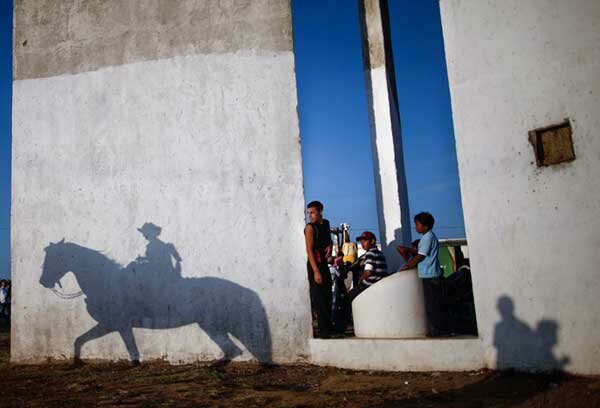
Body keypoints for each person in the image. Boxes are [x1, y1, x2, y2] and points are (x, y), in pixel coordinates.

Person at [399, 212, 447, 336]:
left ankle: (437, 329)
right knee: (432, 303)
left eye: (418, 225)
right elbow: (419, 251)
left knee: (432, 305)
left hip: (430, 275)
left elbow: (421, 255)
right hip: (428, 274)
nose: (416, 227)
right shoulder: (428, 237)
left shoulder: (427, 237)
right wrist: (408, 250)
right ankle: (435, 329)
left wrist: (407, 266)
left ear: (425, 226)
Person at [304, 201, 333, 338]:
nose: (310, 215)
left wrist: (330, 245)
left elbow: (328, 239)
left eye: (313, 212)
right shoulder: (310, 228)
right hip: (314, 264)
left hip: (324, 264)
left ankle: (329, 326)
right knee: (319, 297)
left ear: (320, 211)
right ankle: (323, 330)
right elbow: (309, 250)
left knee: (328, 294)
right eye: (308, 212)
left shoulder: (325, 224)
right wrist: (315, 271)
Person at [348, 231, 388, 302]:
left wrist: (360, 280)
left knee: (348, 296)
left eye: (365, 240)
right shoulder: (379, 253)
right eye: (361, 241)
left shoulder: (370, 253)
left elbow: (368, 272)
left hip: (370, 284)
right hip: (380, 283)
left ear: (372, 241)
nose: (362, 243)